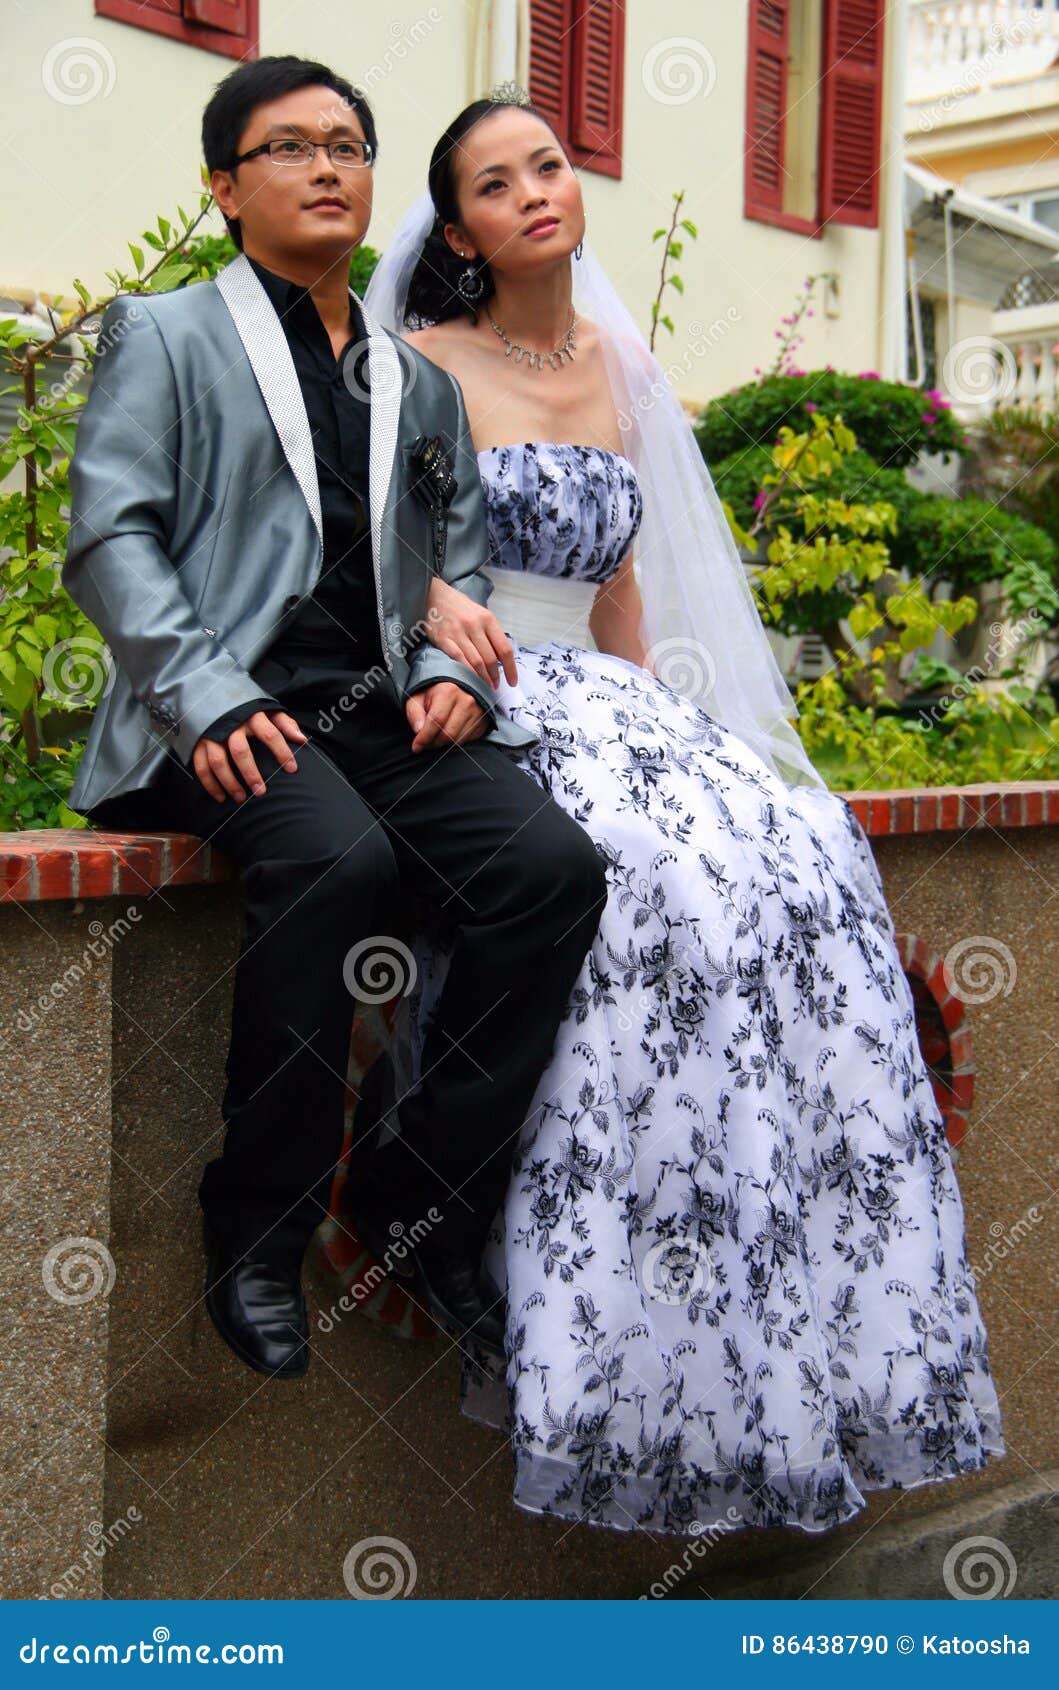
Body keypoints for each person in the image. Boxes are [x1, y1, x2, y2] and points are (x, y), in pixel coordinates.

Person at [342, 92, 1006, 1536]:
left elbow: (627, 581)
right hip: (488, 689)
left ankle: (799, 1330)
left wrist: (676, 727)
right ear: (455, 229)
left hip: (611, 691)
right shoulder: (415, 364)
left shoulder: (616, 367)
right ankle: (564, 1303)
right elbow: (378, 560)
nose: (534, 194)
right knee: (645, 878)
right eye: (494, 184)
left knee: (801, 844)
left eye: (550, 166)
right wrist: (440, 637)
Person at [61, 58, 608, 1381]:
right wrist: (206, 692)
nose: (327, 167)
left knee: (551, 869)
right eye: (290, 146)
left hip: (379, 719)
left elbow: (462, 564)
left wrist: (453, 673)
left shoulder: (415, 385)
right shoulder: (167, 333)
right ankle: (257, 1226)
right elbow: (111, 538)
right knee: (338, 860)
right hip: (220, 710)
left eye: (349, 146)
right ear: (225, 187)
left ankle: (415, 1201)